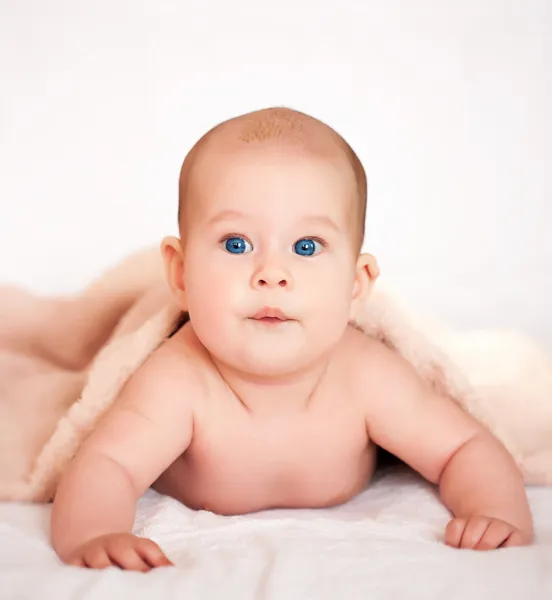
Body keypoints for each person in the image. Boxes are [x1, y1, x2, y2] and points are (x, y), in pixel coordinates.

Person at [47, 107, 533, 571]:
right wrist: (96, 532)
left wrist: (494, 512)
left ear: (356, 284)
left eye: (306, 247)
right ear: (180, 273)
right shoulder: (179, 379)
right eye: (236, 244)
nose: (272, 274)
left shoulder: (366, 374)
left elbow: (463, 447)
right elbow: (107, 464)